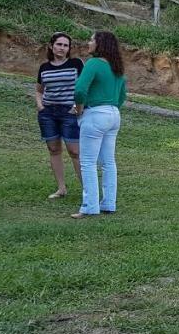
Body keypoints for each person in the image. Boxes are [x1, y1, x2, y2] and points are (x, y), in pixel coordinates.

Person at [71, 31, 127, 219]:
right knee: (108, 162)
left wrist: (79, 109)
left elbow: (79, 90)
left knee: (87, 162)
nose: (89, 42)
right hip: (113, 115)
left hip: (95, 114)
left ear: (100, 44)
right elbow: (122, 96)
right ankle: (109, 203)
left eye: (92, 39)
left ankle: (89, 206)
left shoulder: (93, 64)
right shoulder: (117, 67)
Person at [36, 32, 83, 199]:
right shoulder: (44, 68)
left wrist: (78, 107)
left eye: (65, 45)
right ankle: (61, 188)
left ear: (69, 49)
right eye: (59, 44)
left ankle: (88, 191)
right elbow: (39, 90)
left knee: (75, 151)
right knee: (54, 149)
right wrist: (40, 105)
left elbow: (84, 86)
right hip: (48, 113)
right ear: (51, 46)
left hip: (69, 112)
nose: (62, 48)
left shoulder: (76, 64)